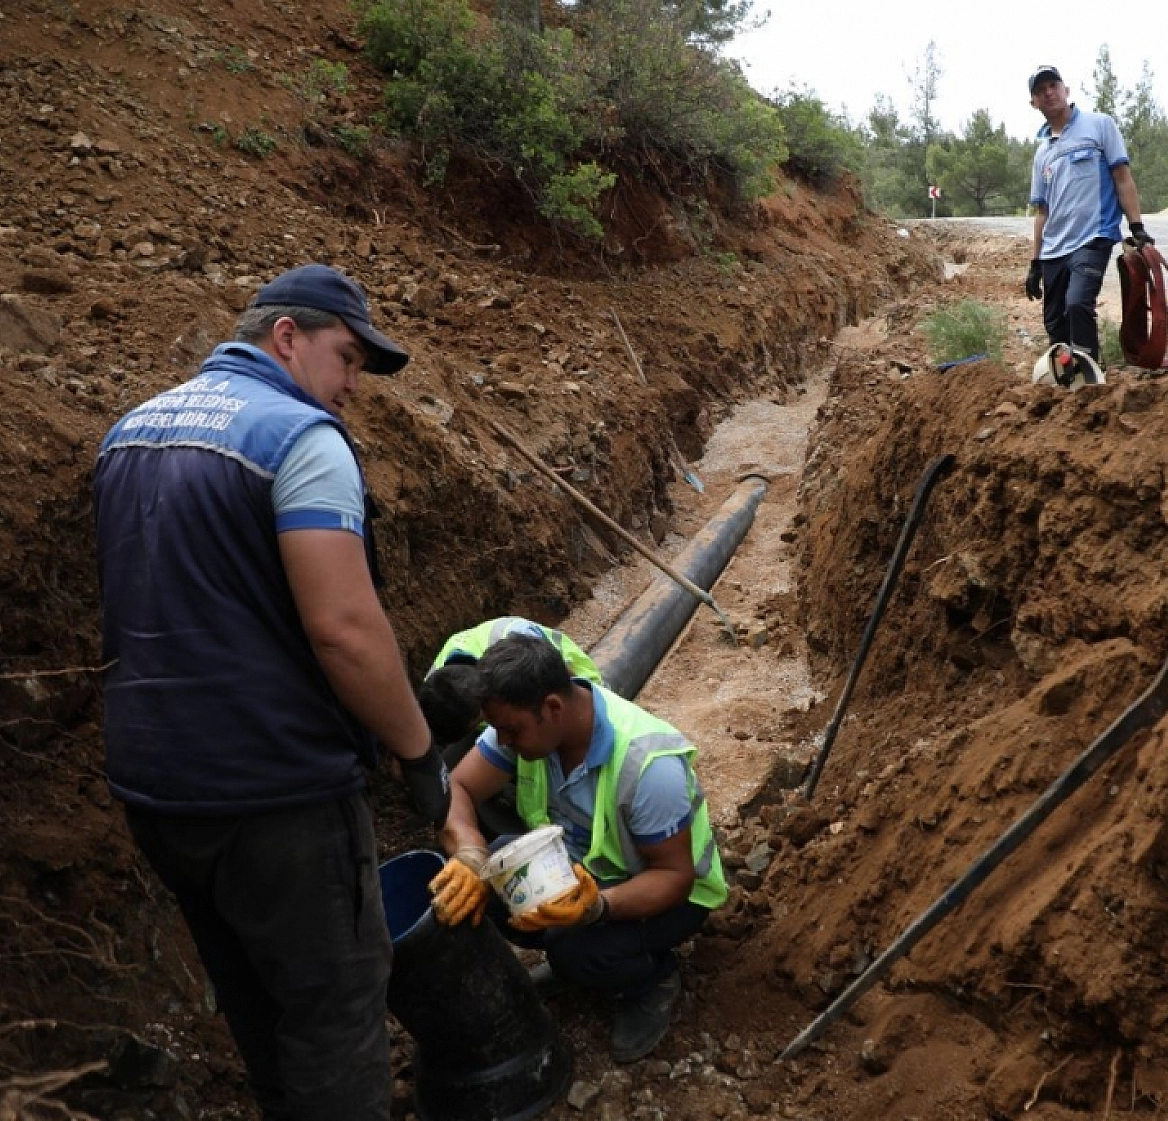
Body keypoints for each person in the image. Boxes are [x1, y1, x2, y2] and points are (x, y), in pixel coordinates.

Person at [93, 263, 452, 1121]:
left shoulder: (131, 429)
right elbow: (345, 631)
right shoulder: (300, 440)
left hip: (156, 789)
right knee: (335, 1012)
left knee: (256, 1002)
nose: (351, 388)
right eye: (348, 359)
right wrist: (417, 749)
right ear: (286, 337)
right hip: (275, 793)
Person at [426, 634, 727, 1064]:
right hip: (586, 868)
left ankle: (652, 978)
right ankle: (578, 954)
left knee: (575, 949)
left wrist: (595, 909)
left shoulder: (649, 764)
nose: (503, 742)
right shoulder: (529, 724)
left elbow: (675, 878)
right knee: (496, 871)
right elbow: (457, 785)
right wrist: (471, 854)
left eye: (510, 731)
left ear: (552, 708)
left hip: (668, 893)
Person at [1023, 64, 1152, 378]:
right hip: (1054, 248)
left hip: (1094, 236)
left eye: (1053, 85)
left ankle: (1090, 383)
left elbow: (1122, 177)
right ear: (1034, 103)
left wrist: (1136, 227)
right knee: (1054, 322)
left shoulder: (1099, 125)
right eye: (1041, 90)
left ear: (1066, 90)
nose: (1048, 92)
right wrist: (1035, 262)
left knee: (1078, 304)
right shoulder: (1042, 154)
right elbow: (1043, 212)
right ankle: (1068, 381)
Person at [419, 617, 603, 749]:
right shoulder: (436, 686)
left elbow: (562, 684)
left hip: (578, 679)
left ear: (483, 708)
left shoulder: (518, 644)